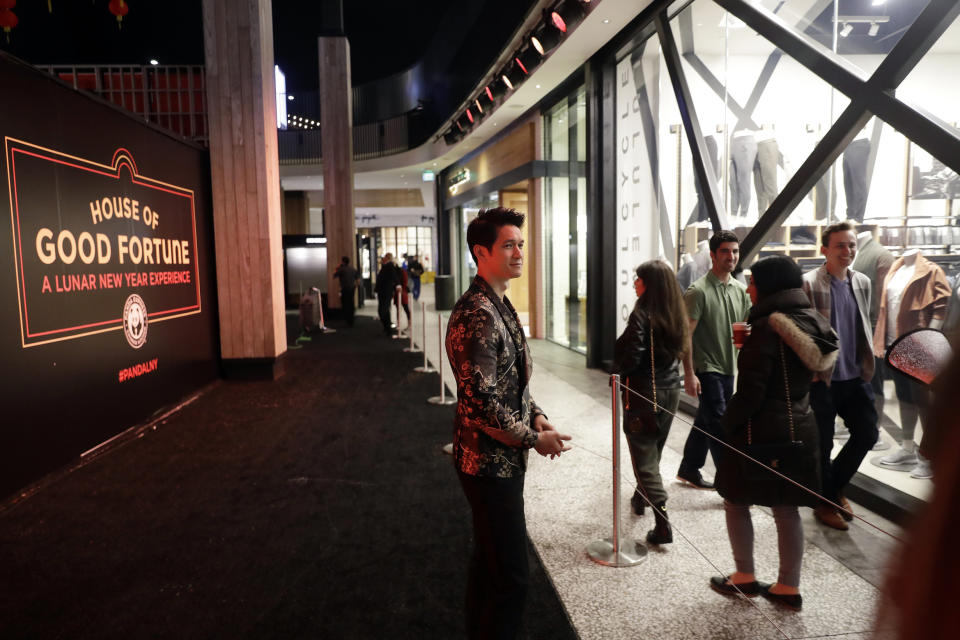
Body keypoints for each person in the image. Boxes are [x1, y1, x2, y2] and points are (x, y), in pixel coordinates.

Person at [445, 207, 572, 640]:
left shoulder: (499, 303)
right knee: (512, 576)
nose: (519, 252)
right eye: (508, 245)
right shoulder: (477, 313)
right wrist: (535, 438)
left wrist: (536, 415)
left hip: (501, 460)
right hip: (486, 465)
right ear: (481, 252)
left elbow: (509, 382)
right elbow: (480, 401)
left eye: (520, 243)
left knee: (492, 564)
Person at [710, 256, 838, 612]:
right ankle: (787, 586)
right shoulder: (811, 320)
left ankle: (745, 576)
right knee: (786, 509)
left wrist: (726, 423)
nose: (748, 287)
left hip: (761, 428)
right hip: (801, 423)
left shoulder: (767, 326)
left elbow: (752, 391)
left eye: (752, 282)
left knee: (735, 499)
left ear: (769, 286)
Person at [802, 220, 878, 531]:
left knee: (867, 433)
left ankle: (831, 491)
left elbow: (863, 325)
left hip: (855, 376)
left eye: (851, 245)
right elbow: (802, 333)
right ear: (825, 249)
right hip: (823, 378)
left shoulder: (861, 282)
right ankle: (825, 502)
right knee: (823, 442)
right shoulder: (809, 283)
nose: (847, 251)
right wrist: (811, 372)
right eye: (840, 246)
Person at [613, 260, 689, 545]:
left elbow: (633, 357)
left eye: (638, 279)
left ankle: (663, 523)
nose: (635, 283)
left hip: (644, 392)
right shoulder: (675, 313)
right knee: (653, 448)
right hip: (670, 391)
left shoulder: (642, 314)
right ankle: (640, 496)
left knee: (643, 453)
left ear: (649, 284)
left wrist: (618, 374)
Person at [676, 230, 752, 489]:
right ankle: (731, 484)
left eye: (735, 251)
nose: (731, 256)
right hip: (707, 367)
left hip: (729, 366)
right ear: (712, 255)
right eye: (725, 251)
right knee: (720, 424)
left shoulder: (741, 291)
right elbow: (686, 336)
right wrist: (688, 373)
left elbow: (743, 330)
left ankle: (689, 468)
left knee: (706, 419)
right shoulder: (698, 291)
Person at [375, 253, 400, 336]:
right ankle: (387, 328)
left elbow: (394, 276)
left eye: (384, 257)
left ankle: (388, 329)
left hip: (386, 292)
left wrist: (398, 285)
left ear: (387, 258)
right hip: (382, 291)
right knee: (383, 310)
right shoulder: (384, 266)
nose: (383, 258)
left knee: (383, 310)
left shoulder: (390, 266)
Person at [333, 256, 360, 327]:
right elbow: (358, 280)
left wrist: (338, 267)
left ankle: (347, 320)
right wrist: (355, 287)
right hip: (352, 289)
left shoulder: (342, 269)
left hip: (344, 289)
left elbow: (334, 275)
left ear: (343, 262)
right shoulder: (353, 269)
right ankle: (352, 320)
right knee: (351, 303)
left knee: (345, 304)